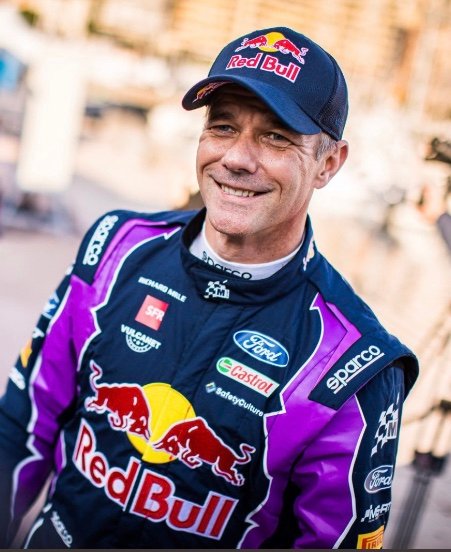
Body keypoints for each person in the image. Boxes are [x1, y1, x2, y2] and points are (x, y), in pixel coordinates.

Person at [0, 26, 418, 549]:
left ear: (328, 163)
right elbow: (20, 426)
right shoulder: (116, 247)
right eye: (223, 126)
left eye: (276, 136)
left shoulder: (354, 364)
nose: (237, 158)